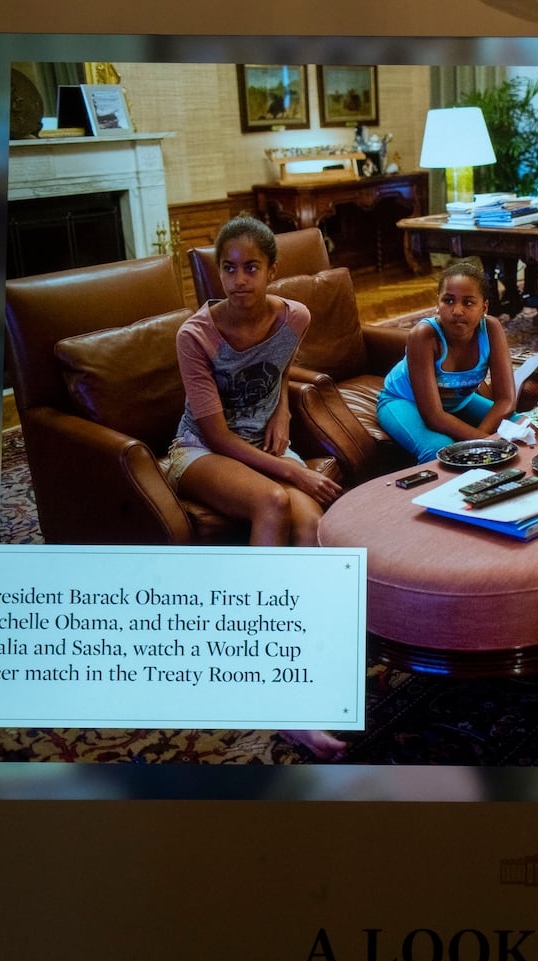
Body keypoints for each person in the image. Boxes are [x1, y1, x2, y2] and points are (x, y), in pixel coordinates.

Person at [162, 215, 346, 759]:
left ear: (272, 270)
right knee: (273, 501)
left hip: (263, 445)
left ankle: (315, 659)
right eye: (228, 268)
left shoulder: (296, 318)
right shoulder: (195, 335)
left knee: (312, 521)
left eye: (251, 268)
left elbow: (278, 372)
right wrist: (292, 469)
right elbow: (215, 432)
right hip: (201, 450)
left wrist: (284, 412)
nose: (239, 279)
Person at [377, 261, 517, 463]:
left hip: (458, 404)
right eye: (449, 301)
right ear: (438, 302)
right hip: (404, 402)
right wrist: (485, 443)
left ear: (484, 307)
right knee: (438, 450)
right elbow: (433, 416)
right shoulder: (423, 335)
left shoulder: (491, 329)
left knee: (521, 425)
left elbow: (506, 400)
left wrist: (482, 440)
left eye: (468, 303)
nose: (457, 310)